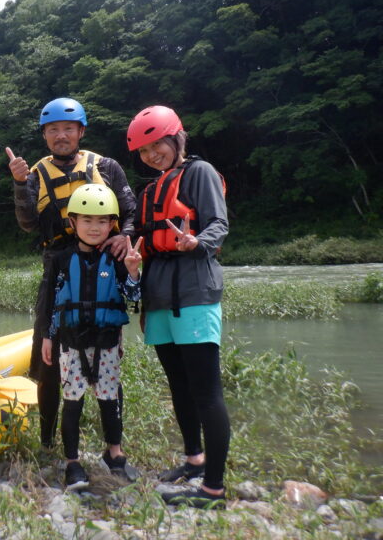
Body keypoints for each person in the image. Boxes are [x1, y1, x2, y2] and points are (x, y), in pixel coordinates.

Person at [5, 97, 136, 449]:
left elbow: (130, 211)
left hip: (104, 264)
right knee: (48, 362)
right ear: (45, 136)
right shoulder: (33, 174)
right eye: (53, 131)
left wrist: (124, 236)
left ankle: (113, 444)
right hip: (58, 266)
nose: (60, 136)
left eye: (67, 129)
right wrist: (20, 184)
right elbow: (28, 223)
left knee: (106, 349)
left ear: (80, 131)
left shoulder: (107, 166)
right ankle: (48, 441)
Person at [125, 105, 230, 509]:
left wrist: (196, 241)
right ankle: (194, 460)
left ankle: (213, 490)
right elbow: (140, 234)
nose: (152, 155)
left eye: (158, 145)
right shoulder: (151, 190)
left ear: (177, 138)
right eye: (145, 151)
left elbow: (218, 223)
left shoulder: (199, 172)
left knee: (206, 392)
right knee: (179, 386)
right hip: (158, 296)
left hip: (195, 292)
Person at [39, 183, 142, 490]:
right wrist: (47, 336)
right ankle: (72, 463)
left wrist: (134, 272)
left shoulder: (118, 258)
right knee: (72, 402)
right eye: (87, 220)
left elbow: (133, 298)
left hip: (107, 342)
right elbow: (50, 300)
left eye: (102, 221)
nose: (95, 227)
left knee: (110, 400)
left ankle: (115, 454)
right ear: (73, 223)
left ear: (112, 224)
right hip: (71, 344)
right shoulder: (59, 259)